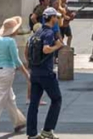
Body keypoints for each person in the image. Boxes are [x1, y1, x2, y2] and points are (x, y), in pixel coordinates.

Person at [26, 8, 65, 139]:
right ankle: (47, 129)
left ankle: (31, 133)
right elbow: (46, 49)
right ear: (52, 18)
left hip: (35, 72)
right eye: (56, 17)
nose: (58, 19)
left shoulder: (37, 32)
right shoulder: (48, 33)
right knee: (57, 99)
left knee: (34, 103)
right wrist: (57, 46)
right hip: (46, 73)